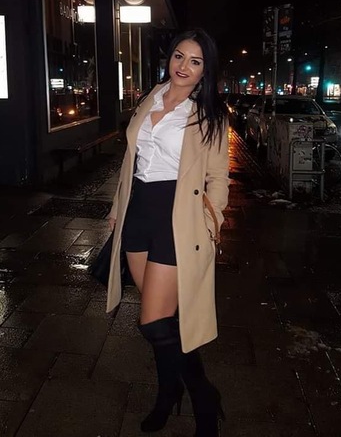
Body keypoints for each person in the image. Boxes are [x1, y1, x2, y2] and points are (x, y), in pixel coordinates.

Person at [106, 28, 229, 436]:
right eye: (179, 56)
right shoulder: (151, 97)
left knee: (154, 322)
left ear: (205, 71)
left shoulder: (209, 115)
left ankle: (200, 397)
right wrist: (117, 209)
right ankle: (172, 392)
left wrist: (210, 225)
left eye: (195, 61)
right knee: (163, 320)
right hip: (139, 211)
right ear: (170, 58)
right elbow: (132, 160)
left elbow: (218, 179)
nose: (184, 66)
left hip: (178, 218)